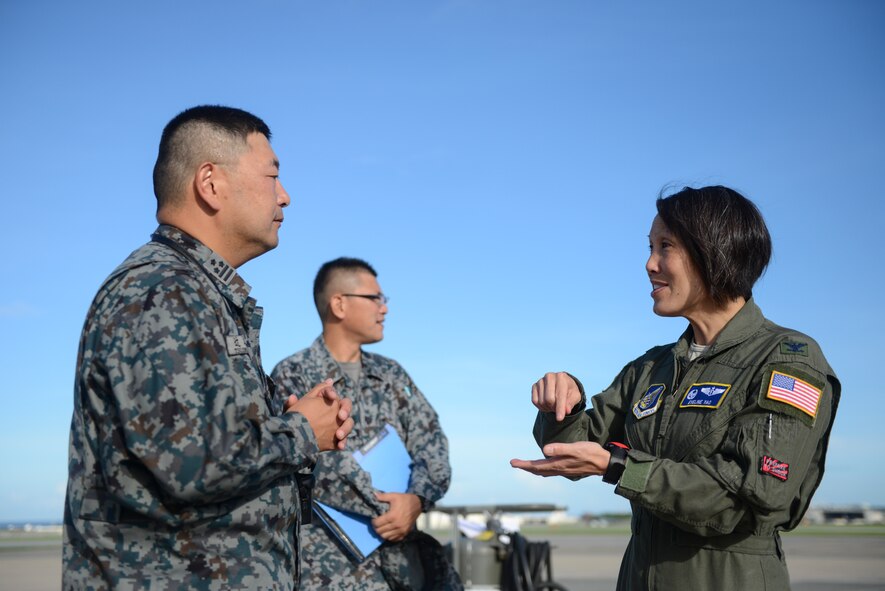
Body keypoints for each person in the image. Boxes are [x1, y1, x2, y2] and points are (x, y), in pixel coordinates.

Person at [64, 105, 355, 590]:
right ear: (210, 183)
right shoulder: (162, 290)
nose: (285, 196)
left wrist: (288, 425)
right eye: (272, 175)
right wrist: (302, 431)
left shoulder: (199, 293)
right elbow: (191, 464)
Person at [511, 186, 840, 591]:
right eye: (650, 247)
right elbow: (575, 446)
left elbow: (742, 497)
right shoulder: (652, 367)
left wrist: (619, 468)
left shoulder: (788, 359)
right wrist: (563, 403)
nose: (649, 264)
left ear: (715, 250)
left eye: (665, 246)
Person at [271, 257, 459, 590]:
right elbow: (307, 463)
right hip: (330, 569)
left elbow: (432, 443)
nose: (384, 309)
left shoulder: (391, 375)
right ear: (339, 304)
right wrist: (391, 507)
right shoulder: (293, 374)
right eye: (375, 298)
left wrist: (416, 499)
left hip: (403, 565)